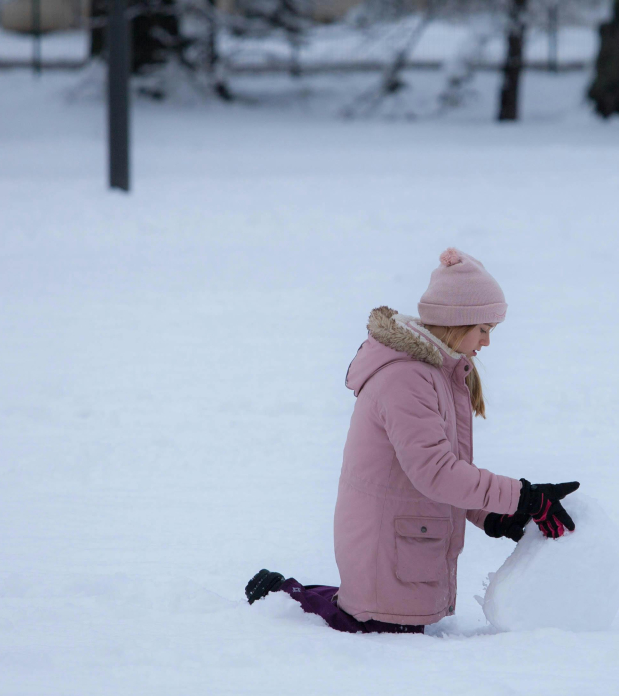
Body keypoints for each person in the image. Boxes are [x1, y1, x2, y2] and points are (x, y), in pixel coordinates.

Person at [246, 248, 580, 633]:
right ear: (457, 322)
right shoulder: (407, 378)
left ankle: (291, 596)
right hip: (388, 545)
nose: (487, 342)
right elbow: (436, 473)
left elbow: (441, 472)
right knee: (373, 625)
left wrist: (492, 514)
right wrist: (523, 497)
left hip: (403, 545)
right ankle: (282, 598)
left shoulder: (435, 374)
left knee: (374, 619)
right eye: (483, 329)